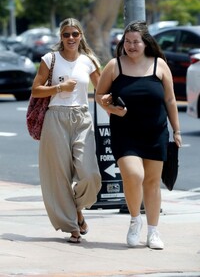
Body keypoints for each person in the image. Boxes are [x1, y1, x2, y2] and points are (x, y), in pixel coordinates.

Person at [95, 20, 182, 249]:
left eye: (136, 42)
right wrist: (111, 108)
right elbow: (99, 96)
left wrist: (177, 130)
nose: (131, 46)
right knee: (134, 175)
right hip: (125, 133)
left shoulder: (159, 65)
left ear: (146, 43)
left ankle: (153, 232)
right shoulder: (115, 66)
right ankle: (135, 220)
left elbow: (170, 100)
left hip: (156, 133)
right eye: (127, 42)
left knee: (152, 182)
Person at [31, 18, 102, 243]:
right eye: (66, 35)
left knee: (91, 174)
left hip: (81, 117)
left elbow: (102, 91)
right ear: (60, 37)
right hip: (56, 117)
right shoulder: (50, 59)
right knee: (59, 176)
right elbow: (36, 90)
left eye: (74, 34)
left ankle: (76, 208)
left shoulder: (88, 61)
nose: (71, 38)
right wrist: (59, 87)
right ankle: (72, 225)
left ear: (81, 35)